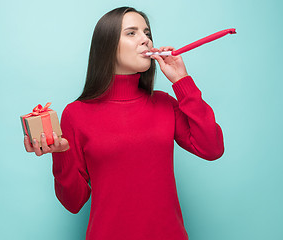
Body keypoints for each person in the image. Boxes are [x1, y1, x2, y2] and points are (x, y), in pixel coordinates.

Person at [24, 6, 224, 240]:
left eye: (147, 33)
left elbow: (212, 148)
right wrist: (60, 153)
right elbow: (73, 203)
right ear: (107, 46)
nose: (146, 40)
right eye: (132, 33)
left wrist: (182, 81)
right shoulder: (76, 114)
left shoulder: (164, 104)